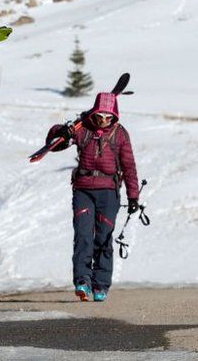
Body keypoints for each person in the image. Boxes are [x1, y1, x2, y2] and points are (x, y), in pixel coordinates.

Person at [47, 92, 140, 302]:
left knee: (104, 239)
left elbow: (129, 166)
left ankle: (100, 285)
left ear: (114, 115)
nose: (104, 120)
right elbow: (55, 142)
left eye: (108, 116)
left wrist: (133, 196)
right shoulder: (83, 129)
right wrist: (63, 130)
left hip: (109, 192)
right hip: (83, 190)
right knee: (83, 236)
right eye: (100, 116)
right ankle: (82, 282)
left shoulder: (120, 134)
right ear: (95, 113)